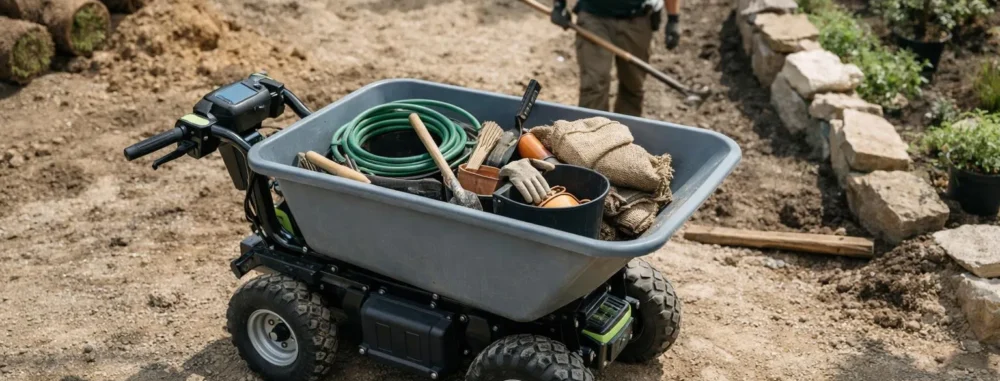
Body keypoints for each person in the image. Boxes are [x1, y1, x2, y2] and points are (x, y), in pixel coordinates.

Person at [552, 0, 682, 117]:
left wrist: (673, 18)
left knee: (633, 85)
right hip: (594, 17)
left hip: (637, 19)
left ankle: (624, 136)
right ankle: (592, 137)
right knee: (594, 84)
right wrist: (559, 5)